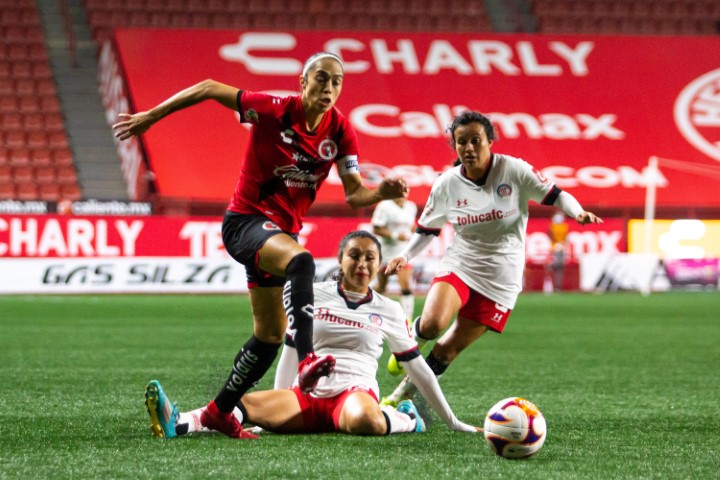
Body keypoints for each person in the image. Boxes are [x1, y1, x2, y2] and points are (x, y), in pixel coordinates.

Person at [113, 51, 408, 439]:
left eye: (337, 82)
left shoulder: (340, 132)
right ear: (303, 82)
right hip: (246, 223)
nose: (329, 87)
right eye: (321, 78)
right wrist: (150, 116)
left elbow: (355, 195)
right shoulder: (273, 109)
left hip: (278, 237)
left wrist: (380, 193)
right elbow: (207, 88)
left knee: (269, 336)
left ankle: (216, 413)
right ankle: (307, 361)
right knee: (302, 262)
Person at [144, 231, 478, 438]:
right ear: (340, 259)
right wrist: (282, 398)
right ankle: (180, 422)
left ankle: (405, 418)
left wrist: (451, 419)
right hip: (306, 398)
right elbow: (292, 346)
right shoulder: (313, 293)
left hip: (353, 394)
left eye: (370, 258)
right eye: (354, 255)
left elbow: (416, 366)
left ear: (378, 265)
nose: (362, 263)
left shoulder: (389, 309)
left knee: (367, 422)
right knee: (242, 405)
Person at [382, 110, 603, 404]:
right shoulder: (446, 183)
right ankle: (412, 343)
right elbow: (427, 230)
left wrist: (578, 213)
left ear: (490, 142)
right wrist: (405, 256)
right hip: (462, 263)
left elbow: (556, 194)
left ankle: (396, 399)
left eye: (476, 140)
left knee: (447, 350)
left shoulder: (514, 170)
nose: (469, 148)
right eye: (462, 142)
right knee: (434, 324)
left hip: (502, 278)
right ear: (455, 146)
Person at [371, 197, 418, 320]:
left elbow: (412, 226)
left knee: (406, 285)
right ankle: (364, 306)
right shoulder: (384, 206)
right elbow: (376, 228)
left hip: (402, 251)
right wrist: (395, 235)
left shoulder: (411, 206)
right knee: (381, 287)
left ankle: (408, 319)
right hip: (385, 250)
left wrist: (415, 235)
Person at [545, 211, 569, 292]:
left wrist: (563, 244)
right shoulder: (552, 226)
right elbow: (550, 234)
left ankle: (558, 286)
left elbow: (565, 237)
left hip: (562, 248)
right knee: (554, 266)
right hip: (554, 248)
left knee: (560, 268)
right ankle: (549, 281)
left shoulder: (564, 226)